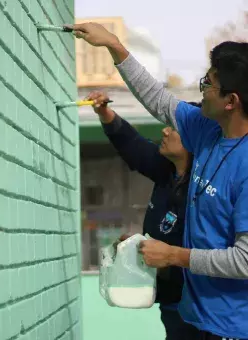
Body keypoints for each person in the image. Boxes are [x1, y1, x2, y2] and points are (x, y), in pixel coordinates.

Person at [68, 22, 248, 340]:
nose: (201, 87)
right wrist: (115, 46)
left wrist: (174, 255)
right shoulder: (207, 129)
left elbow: (244, 260)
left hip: (232, 329)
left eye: (208, 83)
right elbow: (159, 101)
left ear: (231, 101)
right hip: (193, 317)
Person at [89, 89, 198, 339]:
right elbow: (133, 146)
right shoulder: (167, 172)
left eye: (173, 128)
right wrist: (104, 112)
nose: (165, 131)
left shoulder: (203, 193)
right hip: (172, 304)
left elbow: (210, 256)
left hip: (196, 310)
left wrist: (166, 260)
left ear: (194, 140)